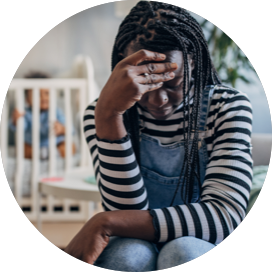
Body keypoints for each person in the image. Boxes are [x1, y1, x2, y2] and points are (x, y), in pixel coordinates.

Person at [64, 1, 253, 270]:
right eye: (145, 83)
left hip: (203, 241)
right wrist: (109, 116)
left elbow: (223, 217)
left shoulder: (226, 107)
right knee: (129, 256)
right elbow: (127, 212)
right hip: (136, 241)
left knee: (183, 249)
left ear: (193, 61)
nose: (159, 99)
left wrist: (104, 221)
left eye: (173, 84)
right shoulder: (102, 113)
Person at [9, 71, 76, 159]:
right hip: (33, 144)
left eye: (47, 93)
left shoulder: (56, 112)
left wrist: (62, 129)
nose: (43, 97)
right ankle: (39, 154)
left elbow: (70, 128)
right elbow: (21, 126)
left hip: (55, 143)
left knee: (70, 146)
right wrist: (16, 121)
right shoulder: (26, 113)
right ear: (27, 99)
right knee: (22, 149)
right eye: (37, 94)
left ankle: (54, 153)